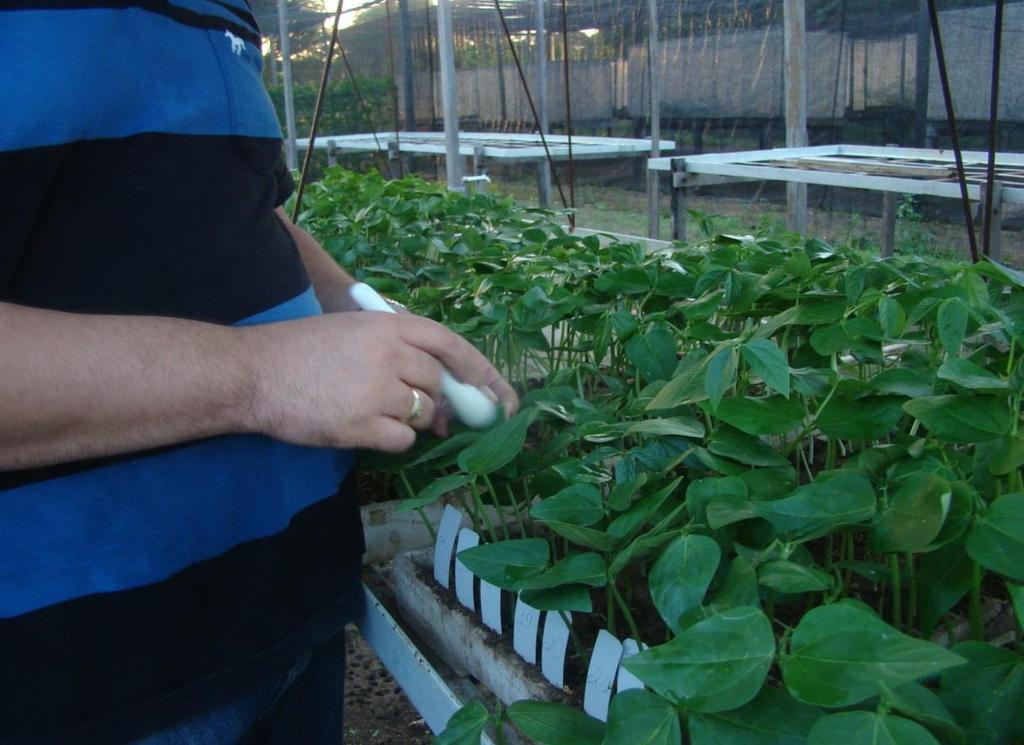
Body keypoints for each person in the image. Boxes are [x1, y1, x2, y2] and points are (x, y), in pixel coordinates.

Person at [0, 2, 517, 743]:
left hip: (289, 614)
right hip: (86, 677)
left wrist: (352, 305)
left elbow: (227, 198)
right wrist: (263, 375)